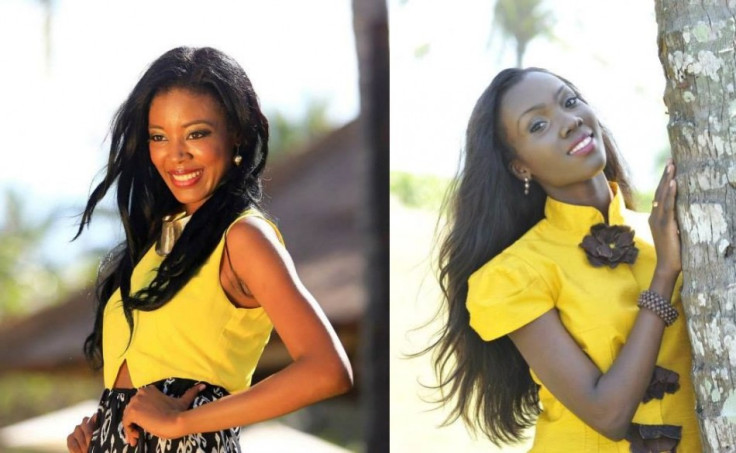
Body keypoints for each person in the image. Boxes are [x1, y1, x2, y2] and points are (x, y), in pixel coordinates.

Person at [66, 46, 353, 453]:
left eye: (196, 133)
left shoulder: (245, 237)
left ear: (235, 133)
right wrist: (102, 435)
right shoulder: (154, 243)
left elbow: (327, 370)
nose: (176, 155)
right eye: (159, 137)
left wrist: (183, 420)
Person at [430, 67, 700, 452]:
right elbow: (607, 413)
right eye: (538, 125)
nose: (568, 122)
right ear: (520, 165)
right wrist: (664, 276)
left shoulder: (674, 232)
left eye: (570, 102)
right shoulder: (514, 275)